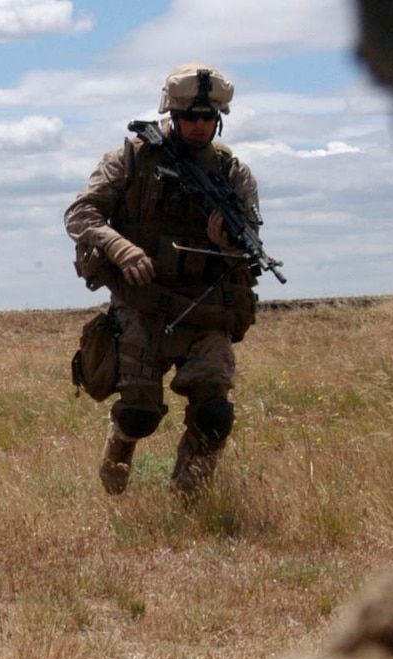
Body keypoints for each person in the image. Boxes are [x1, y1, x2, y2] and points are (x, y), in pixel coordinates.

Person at [64, 63, 265, 497]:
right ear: (171, 117)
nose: (198, 126)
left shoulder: (232, 174)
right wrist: (122, 248)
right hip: (143, 304)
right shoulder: (131, 158)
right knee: (139, 414)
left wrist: (231, 245)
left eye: (207, 118)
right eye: (189, 117)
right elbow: (81, 215)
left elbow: (251, 238)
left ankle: (189, 497)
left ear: (218, 120)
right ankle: (119, 450)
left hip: (207, 306)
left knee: (214, 413)